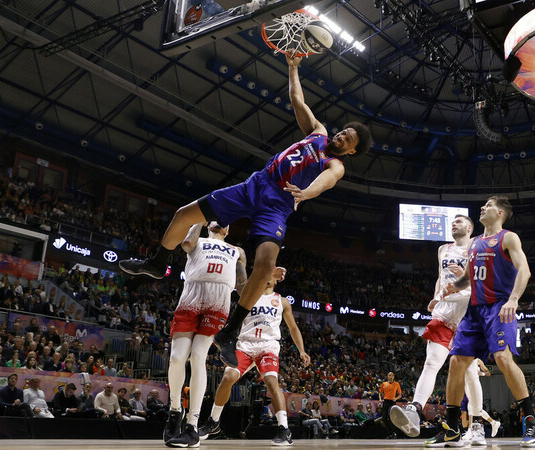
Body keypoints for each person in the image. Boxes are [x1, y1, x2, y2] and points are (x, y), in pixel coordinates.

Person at [118, 54, 372, 372]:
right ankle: (157, 263)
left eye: (349, 138)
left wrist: (305, 193)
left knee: (265, 265)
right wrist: (293, 67)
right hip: (257, 184)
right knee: (184, 214)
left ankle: (231, 330)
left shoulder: (336, 164)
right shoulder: (318, 132)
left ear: (351, 150)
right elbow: (297, 99)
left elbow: (325, 182)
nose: (343, 135)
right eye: (345, 130)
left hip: (279, 205)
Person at [431, 196, 535, 448]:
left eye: (489, 205)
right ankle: (452, 430)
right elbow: (470, 277)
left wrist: (514, 299)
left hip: (499, 307)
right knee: (456, 362)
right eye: (483, 204)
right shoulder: (474, 244)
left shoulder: (508, 238)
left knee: (503, 359)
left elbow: (524, 270)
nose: (483, 207)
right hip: (475, 310)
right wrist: (453, 287)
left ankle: (532, 421)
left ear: (501, 212)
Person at [198, 267, 310, 445]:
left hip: (268, 345)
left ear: (276, 280)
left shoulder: (282, 301)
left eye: (270, 275)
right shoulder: (248, 295)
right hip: (246, 344)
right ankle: (214, 422)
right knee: (227, 377)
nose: (266, 276)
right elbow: (244, 276)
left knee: (272, 382)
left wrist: (302, 350)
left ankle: (284, 429)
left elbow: (293, 328)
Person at [160, 222, 247, 447]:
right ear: (208, 224)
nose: (222, 221)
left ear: (229, 230)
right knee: (177, 358)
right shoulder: (197, 239)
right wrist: (198, 219)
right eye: (215, 218)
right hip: (191, 296)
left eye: (226, 221)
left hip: (218, 302)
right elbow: (186, 244)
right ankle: (175, 411)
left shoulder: (237, 251)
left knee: (198, 356)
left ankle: (192, 426)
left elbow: (243, 284)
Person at [390, 215, 474, 438]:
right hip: (445, 311)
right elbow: (440, 277)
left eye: (459, 221)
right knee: (431, 362)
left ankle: (476, 428)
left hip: (469, 311)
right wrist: (436, 297)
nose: (454, 224)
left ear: (470, 227)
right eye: (453, 222)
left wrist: (465, 278)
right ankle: (415, 410)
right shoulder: (442, 250)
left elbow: (483, 278)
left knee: (470, 375)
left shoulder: (478, 246)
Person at [379, 372, 402, 438]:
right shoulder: (384, 384)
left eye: (392, 375)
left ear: (394, 377)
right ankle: (390, 433)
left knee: (391, 418)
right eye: (389, 375)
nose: (390, 377)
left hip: (392, 402)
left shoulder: (397, 384)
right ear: (387, 376)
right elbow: (380, 392)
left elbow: (400, 394)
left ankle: (394, 433)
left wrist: (396, 398)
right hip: (386, 401)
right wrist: (380, 398)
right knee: (384, 418)